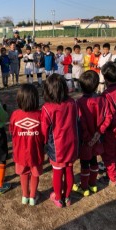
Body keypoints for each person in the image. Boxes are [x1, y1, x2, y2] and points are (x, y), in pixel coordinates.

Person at [41, 74, 79, 207]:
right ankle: (67, 197)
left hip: (57, 148)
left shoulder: (47, 108)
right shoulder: (73, 103)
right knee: (69, 170)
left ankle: (58, 198)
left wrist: (44, 143)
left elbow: (44, 130)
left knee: (57, 172)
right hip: (72, 144)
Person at [73, 70, 113, 196]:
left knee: (85, 163)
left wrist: (88, 138)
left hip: (86, 141)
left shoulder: (79, 103)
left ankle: (84, 187)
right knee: (94, 160)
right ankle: (93, 185)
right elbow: (108, 117)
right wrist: (98, 133)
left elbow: (81, 122)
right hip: (98, 138)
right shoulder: (102, 100)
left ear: (81, 86)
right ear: (96, 85)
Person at [10, 84, 44, 205]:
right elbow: (44, 134)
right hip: (36, 152)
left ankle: (25, 196)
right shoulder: (40, 115)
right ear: (35, 99)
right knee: (35, 174)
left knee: (23, 173)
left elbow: (12, 131)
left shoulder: (15, 115)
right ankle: (32, 197)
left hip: (20, 152)